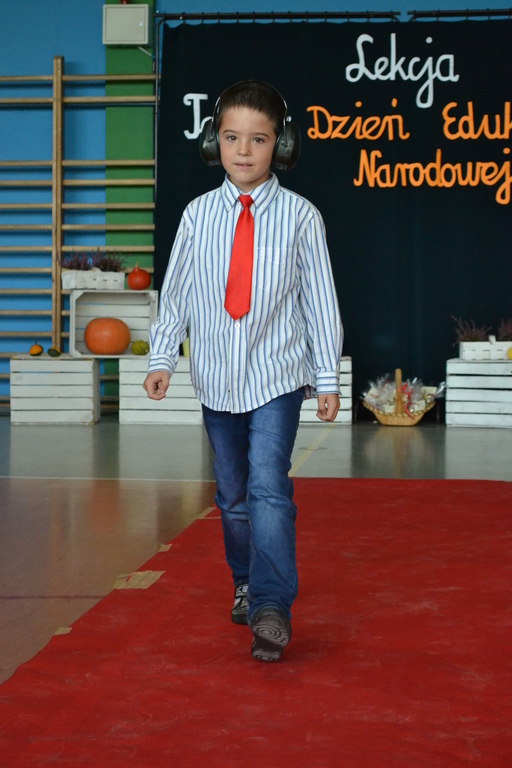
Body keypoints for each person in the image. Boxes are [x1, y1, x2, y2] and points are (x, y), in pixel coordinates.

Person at [143, 80, 343, 663]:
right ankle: (245, 579)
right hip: (215, 380)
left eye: (259, 139)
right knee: (232, 496)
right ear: (215, 143)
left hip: (276, 378)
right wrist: (162, 358)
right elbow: (176, 294)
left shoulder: (302, 217)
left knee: (268, 488)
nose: (244, 151)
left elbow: (320, 303)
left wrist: (327, 380)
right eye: (232, 138)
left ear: (282, 144)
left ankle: (271, 606)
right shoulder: (197, 216)